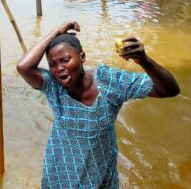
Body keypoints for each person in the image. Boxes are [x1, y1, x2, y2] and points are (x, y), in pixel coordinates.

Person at [16, 21, 180, 188]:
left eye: (65, 60)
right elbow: (24, 67)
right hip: (61, 169)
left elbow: (169, 90)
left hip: (99, 169)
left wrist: (144, 61)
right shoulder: (53, 86)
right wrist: (55, 31)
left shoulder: (110, 82)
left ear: (82, 57)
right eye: (53, 64)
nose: (59, 68)